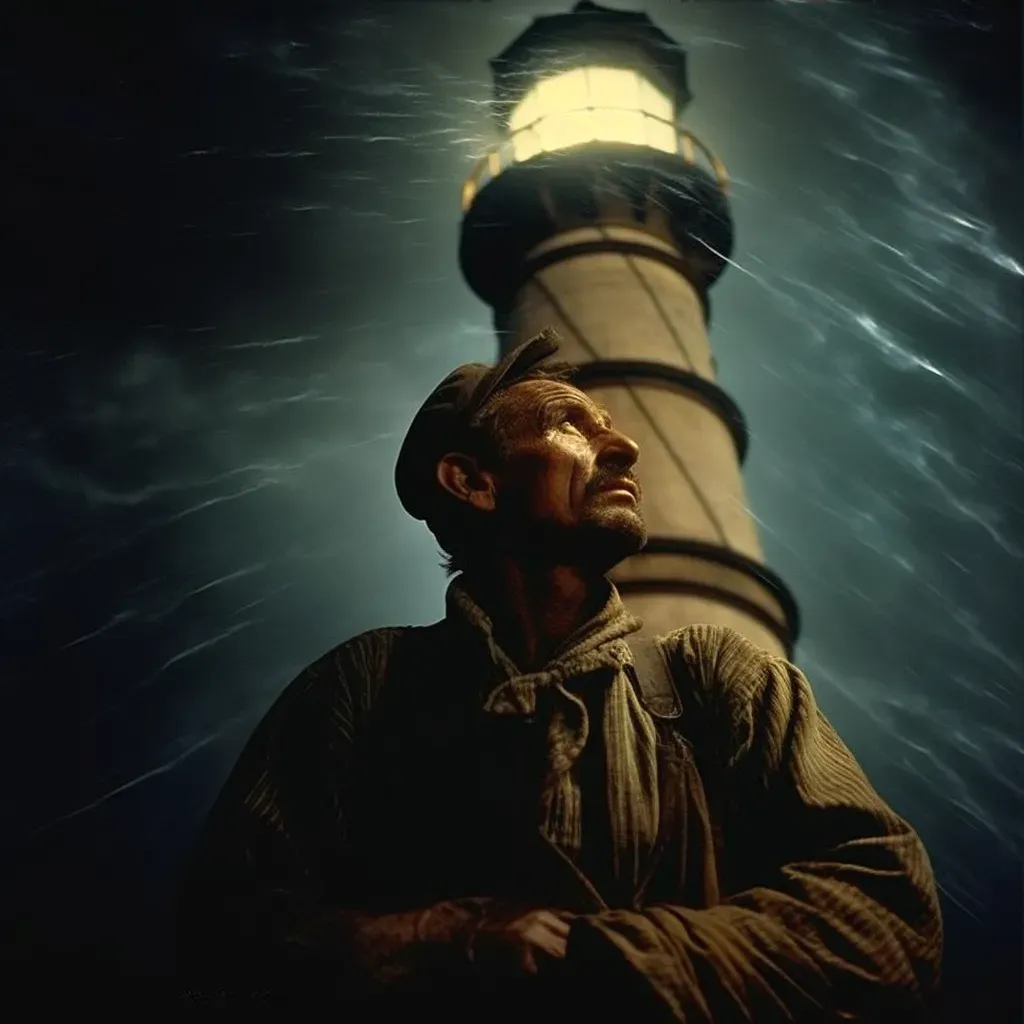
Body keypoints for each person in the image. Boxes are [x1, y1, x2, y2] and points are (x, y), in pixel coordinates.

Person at [176, 328, 942, 1020]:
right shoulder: (363, 687)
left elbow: (885, 911)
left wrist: (595, 959)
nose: (626, 448)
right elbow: (217, 952)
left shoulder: (717, 677)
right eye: (569, 424)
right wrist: (444, 938)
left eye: (610, 425)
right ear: (471, 481)